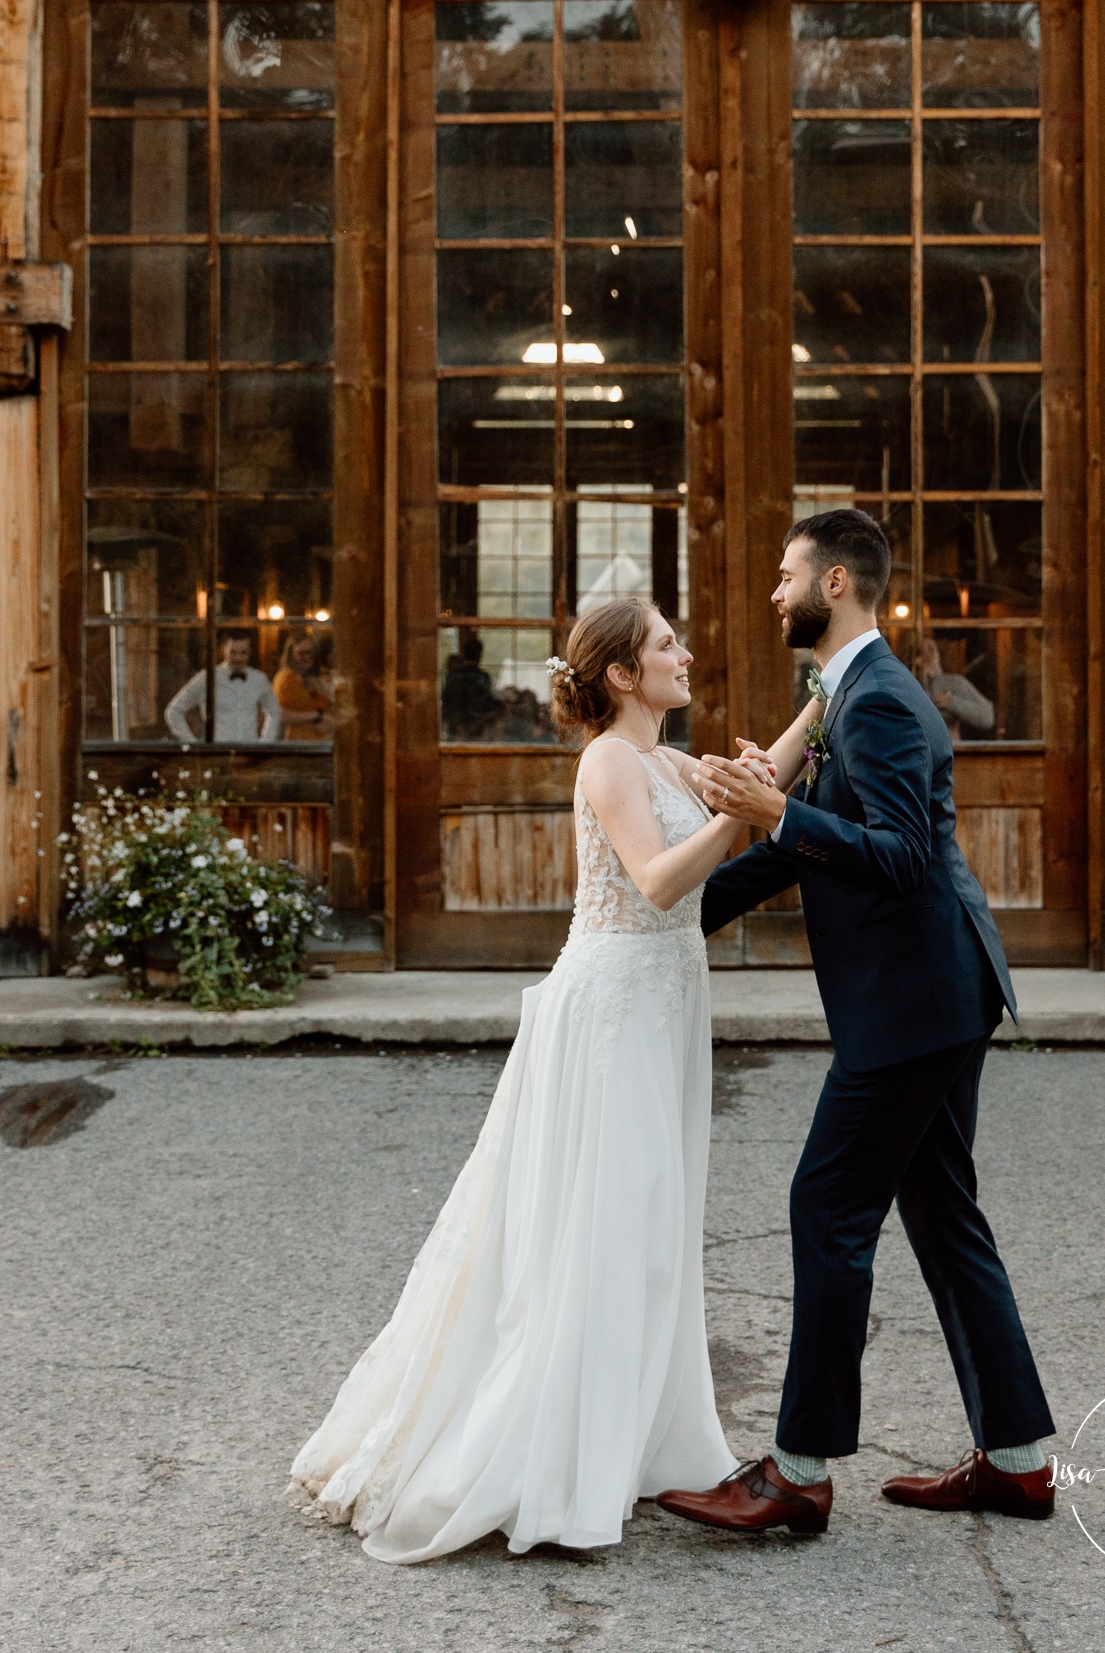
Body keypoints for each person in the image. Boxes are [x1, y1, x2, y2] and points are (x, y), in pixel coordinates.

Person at [290, 597, 747, 1557]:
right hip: (614, 1005)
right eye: (669, 645)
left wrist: (810, 721)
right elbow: (659, 879)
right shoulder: (610, 760)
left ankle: (638, 1439)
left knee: (654, 1219)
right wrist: (738, 824)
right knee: (600, 1218)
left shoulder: (667, 760)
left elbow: (753, 782)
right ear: (623, 674)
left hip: (664, 1002)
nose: (687, 654)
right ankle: (549, 1455)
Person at [654, 508, 1056, 1538]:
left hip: (915, 1006)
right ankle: (1017, 1462)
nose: (774, 592)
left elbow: (899, 855)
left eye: (786, 575)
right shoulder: (847, 693)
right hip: (940, 993)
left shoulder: (875, 701)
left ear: (835, 582)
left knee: (825, 1206)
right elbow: (802, 850)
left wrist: (777, 809)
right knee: (943, 1215)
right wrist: (674, 909)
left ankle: (798, 1471)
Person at [164, 632, 282, 744]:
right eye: (233, 652)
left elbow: (274, 711)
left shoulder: (259, 679)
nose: (238, 658)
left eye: (243, 653)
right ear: (224, 650)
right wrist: (192, 743)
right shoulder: (207, 678)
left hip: (249, 754)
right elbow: (174, 711)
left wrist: (265, 742)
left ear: (250, 652)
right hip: (217, 753)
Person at [920, 636, 996, 739]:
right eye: (920, 650)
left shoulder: (953, 682)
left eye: (931, 648)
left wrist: (951, 702)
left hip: (952, 751)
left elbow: (987, 716)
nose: (927, 654)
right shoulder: (904, 685)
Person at [272, 633, 333, 742]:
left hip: (325, 743)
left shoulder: (318, 677)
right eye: (301, 653)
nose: (307, 657)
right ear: (291, 655)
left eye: (310, 652)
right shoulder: (285, 678)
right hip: (299, 745)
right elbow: (279, 715)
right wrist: (317, 716)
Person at [440, 634, 499, 741]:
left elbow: (446, 701)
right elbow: (487, 705)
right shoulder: (482, 678)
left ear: (463, 653)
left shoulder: (453, 676)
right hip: (475, 730)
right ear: (479, 655)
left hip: (455, 729)